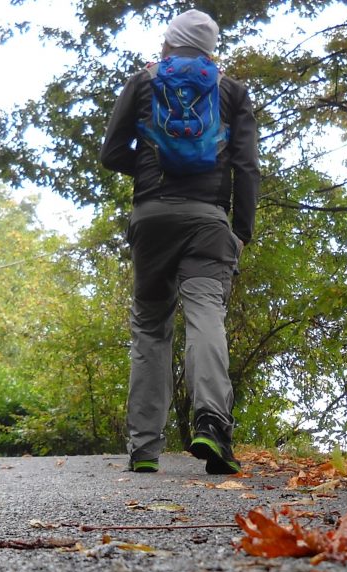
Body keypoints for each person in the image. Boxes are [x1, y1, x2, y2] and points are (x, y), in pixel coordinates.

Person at [100, 9, 259, 474]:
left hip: (151, 217)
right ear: (211, 51)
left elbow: (111, 153)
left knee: (151, 327)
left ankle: (145, 448)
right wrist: (241, 230)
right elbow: (246, 166)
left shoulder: (143, 83)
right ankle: (211, 422)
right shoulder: (231, 91)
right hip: (209, 221)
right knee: (206, 315)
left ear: (167, 45)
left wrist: (151, 170)